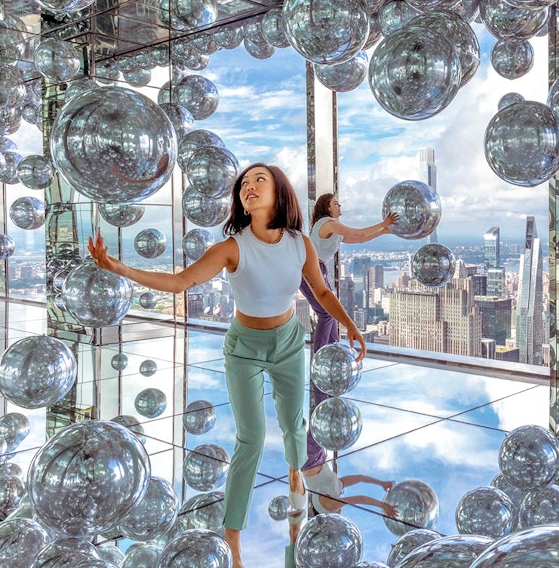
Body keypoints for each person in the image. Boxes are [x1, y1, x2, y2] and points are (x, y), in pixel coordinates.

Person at [88, 163, 365, 568]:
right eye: (244, 184)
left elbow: (321, 290)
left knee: (295, 425)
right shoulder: (232, 247)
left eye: (259, 181)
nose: (248, 187)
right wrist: (120, 269)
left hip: (288, 342)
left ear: (279, 193)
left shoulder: (301, 244)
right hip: (244, 348)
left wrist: (351, 325)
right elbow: (181, 282)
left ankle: (296, 477)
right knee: (250, 440)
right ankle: (232, 534)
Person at [300, 193, 397, 471]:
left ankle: (328, 356)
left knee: (327, 315)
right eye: (336, 203)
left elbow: (359, 238)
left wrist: (383, 229)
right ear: (327, 208)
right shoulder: (328, 223)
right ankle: (322, 360)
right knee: (326, 313)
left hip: (316, 271)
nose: (340, 206)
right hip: (313, 271)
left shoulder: (330, 228)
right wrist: (383, 222)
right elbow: (356, 231)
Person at [302, 461, 398, 518]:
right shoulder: (336, 489)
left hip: (311, 461)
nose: (341, 514)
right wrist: (381, 483)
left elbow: (360, 499)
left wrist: (383, 505)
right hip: (318, 457)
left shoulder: (328, 506)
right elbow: (360, 478)